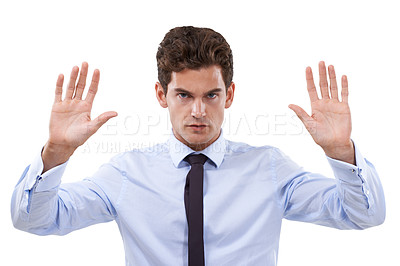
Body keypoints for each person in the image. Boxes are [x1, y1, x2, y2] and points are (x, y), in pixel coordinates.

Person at [11, 26, 385, 266]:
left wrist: (341, 152)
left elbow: (364, 215)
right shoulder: (127, 173)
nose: (198, 111)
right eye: (184, 95)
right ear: (162, 95)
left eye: (211, 95)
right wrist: (56, 153)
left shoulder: (268, 168)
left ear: (230, 94)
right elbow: (33, 219)